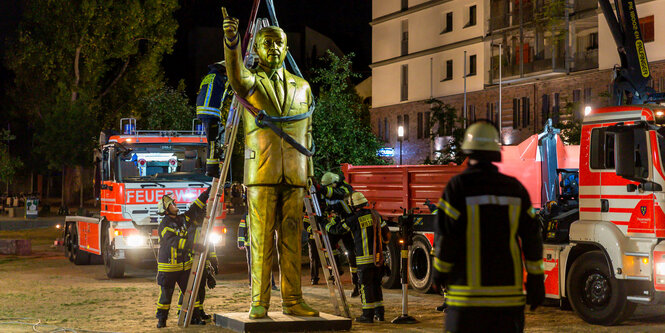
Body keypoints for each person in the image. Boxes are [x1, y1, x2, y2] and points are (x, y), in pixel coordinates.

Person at [223, 8, 317, 319]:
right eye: (267, 43)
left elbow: (308, 131)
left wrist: (310, 172)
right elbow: (234, 75)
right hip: (261, 173)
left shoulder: (303, 87)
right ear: (258, 50)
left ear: (286, 48)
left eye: (279, 43)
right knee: (260, 240)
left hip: (295, 174)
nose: (274, 48)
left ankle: (293, 299)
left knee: (292, 239)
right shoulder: (250, 82)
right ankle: (259, 302)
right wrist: (232, 42)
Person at [432, 121, 545, 333]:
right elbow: (532, 238)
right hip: (507, 301)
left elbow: (446, 238)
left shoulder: (457, 188)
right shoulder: (515, 189)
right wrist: (536, 280)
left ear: (468, 150)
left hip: (467, 301)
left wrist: (439, 273)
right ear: (496, 151)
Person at [326, 192, 390, 323]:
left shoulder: (353, 219)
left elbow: (336, 230)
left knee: (365, 286)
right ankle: (380, 314)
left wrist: (328, 222)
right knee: (376, 286)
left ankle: (367, 315)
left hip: (363, 260)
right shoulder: (376, 215)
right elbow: (386, 235)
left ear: (353, 206)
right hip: (378, 260)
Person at [155, 189, 210, 328]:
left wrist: (206, 194)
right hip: (169, 267)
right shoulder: (165, 225)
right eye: (172, 204)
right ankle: (162, 320)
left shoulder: (182, 219)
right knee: (166, 296)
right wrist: (193, 246)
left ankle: (194, 317)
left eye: (174, 202)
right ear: (166, 210)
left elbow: (194, 208)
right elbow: (173, 241)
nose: (175, 204)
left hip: (184, 266)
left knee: (191, 292)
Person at [317, 172, 359, 297]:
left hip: (349, 223)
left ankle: (357, 283)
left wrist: (321, 189)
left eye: (330, 186)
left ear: (335, 182)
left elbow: (337, 194)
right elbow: (325, 201)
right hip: (337, 223)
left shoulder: (346, 188)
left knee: (352, 253)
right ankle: (336, 270)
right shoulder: (327, 191)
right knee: (328, 243)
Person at [196, 61, 233, 178]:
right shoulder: (220, 78)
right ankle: (212, 170)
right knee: (213, 143)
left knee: (213, 141)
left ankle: (214, 166)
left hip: (203, 112)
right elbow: (230, 90)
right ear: (223, 70)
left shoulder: (209, 77)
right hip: (211, 112)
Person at [237, 214, 278, 290]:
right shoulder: (246, 216)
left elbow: (271, 229)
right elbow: (241, 229)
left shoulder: (266, 213)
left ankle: (271, 284)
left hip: (264, 244)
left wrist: (273, 241)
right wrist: (241, 242)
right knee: (252, 265)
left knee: (267, 264)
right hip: (250, 245)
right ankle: (252, 285)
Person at [303, 213, 321, 284]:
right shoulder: (308, 213)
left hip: (323, 238)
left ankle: (332, 276)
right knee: (314, 258)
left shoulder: (321, 210)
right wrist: (315, 230)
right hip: (313, 239)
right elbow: (306, 226)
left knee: (327, 256)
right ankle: (314, 278)